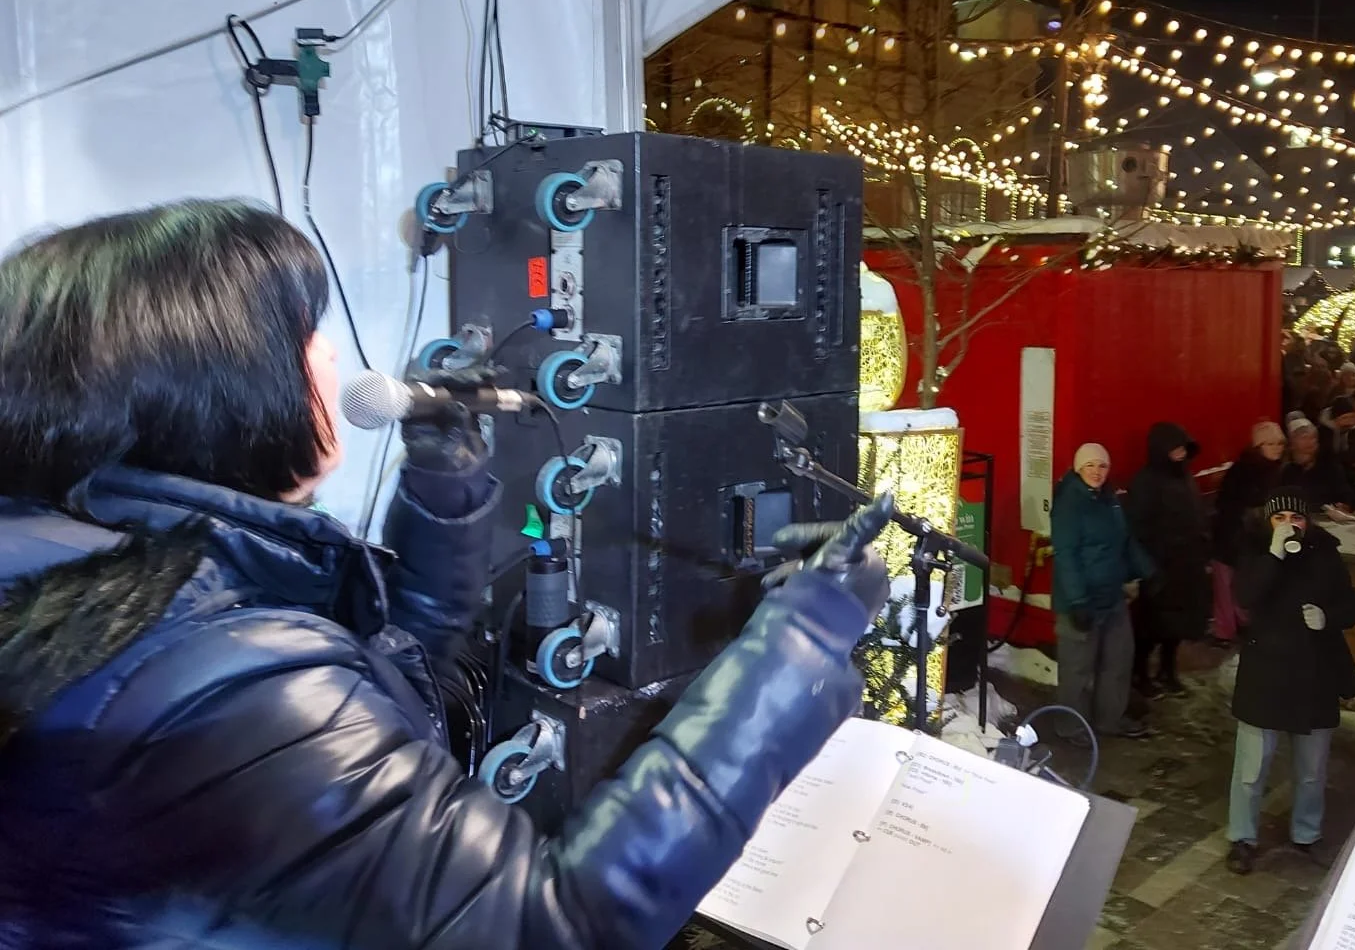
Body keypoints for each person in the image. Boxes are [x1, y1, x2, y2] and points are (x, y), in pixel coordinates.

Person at [0, 200, 893, 948]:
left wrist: (445, 488)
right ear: (222, 383)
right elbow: (560, 928)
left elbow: (384, 679)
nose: (334, 357)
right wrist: (803, 642)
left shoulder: (100, 572)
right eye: (306, 332)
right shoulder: (219, 685)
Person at [1225, 489, 1355, 876]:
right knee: (1251, 768)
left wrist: (1327, 616)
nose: (1289, 524)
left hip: (1313, 674)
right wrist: (1274, 554)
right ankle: (1242, 837)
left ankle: (1307, 833)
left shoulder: (1325, 554)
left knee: (1312, 768)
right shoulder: (1256, 551)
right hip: (1265, 672)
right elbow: (1247, 595)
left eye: (1296, 517)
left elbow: (1352, 606)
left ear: (1308, 521)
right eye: (1279, 517)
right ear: (1268, 522)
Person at [1051, 444, 1153, 740]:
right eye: (1090, 466)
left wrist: (1147, 571)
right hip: (1081, 600)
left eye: (1102, 466)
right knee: (1077, 669)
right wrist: (1077, 601)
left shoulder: (1110, 499)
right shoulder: (1069, 503)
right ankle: (1071, 726)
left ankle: (1110, 719)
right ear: (1078, 468)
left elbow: (1124, 541)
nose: (1097, 472)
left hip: (1112, 596)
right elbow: (1066, 555)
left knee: (1117, 662)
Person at [1125, 422, 1211, 698]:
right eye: (1174, 448)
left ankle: (1167, 670)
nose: (1180, 453)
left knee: (1176, 624)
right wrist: (1152, 562)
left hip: (1185, 564)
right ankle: (1140, 674)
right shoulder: (1146, 481)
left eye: (1183, 447)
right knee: (1151, 624)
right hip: (1160, 564)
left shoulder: (1184, 477)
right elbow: (1139, 525)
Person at [1211, 421, 1287, 646]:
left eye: (1280, 443)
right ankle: (1224, 631)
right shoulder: (1245, 470)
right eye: (1271, 443)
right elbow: (1231, 506)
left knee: (1242, 583)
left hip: (1250, 536)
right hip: (1233, 535)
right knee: (1227, 584)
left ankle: (1240, 625)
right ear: (1258, 446)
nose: (1277, 448)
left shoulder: (1274, 469)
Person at [1280, 415, 1354, 511]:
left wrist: (1345, 506)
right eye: (1304, 437)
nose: (1309, 442)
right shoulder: (1286, 471)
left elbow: (1347, 497)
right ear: (1292, 443)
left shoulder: (1331, 469)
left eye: (1313, 438)